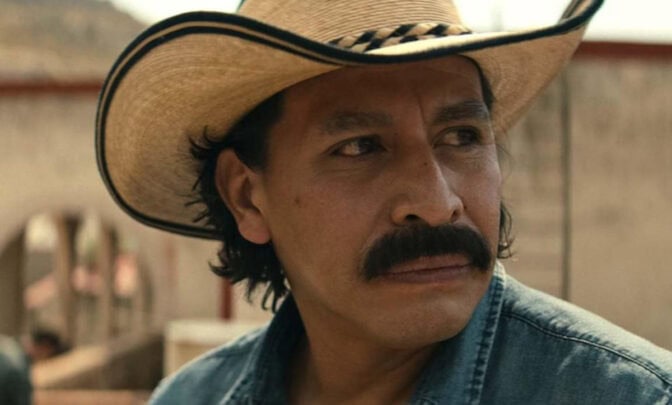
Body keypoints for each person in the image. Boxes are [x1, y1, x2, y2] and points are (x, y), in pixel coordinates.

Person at [96, 0, 672, 403]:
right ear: (247, 197)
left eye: (462, 137)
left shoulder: (628, 396)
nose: (437, 202)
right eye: (360, 147)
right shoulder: (191, 398)